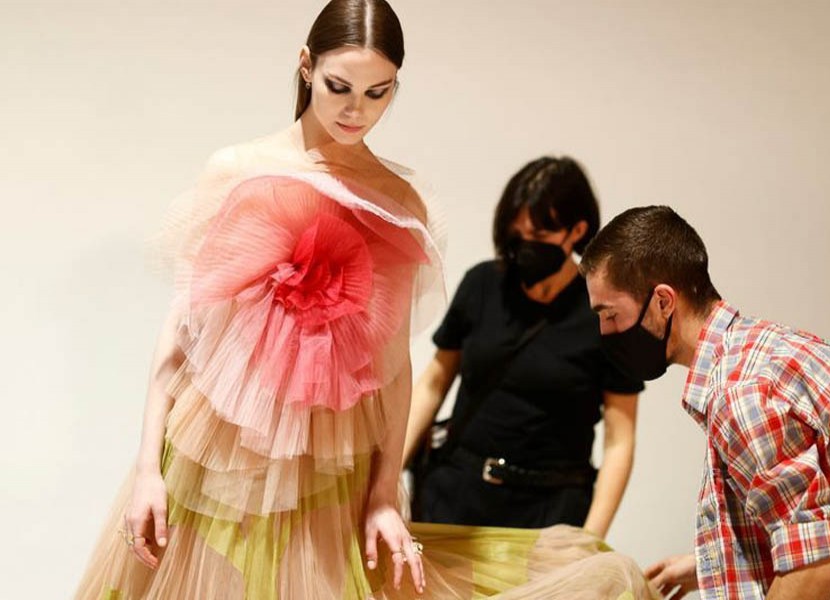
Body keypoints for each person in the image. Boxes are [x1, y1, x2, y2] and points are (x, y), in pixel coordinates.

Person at [75, 2, 659, 598]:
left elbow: (395, 364)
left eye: (378, 93)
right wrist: (147, 468)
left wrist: (383, 495)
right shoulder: (238, 168)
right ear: (306, 66)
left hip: (332, 458)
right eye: (339, 87)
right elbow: (183, 330)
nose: (356, 110)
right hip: (218, 446)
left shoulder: (398, 200)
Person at [580, 205, 830, 599]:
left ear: (663, 301)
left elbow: (814, 569)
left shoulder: (741, 393)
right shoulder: (759, 352)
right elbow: (822, 517)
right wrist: (706, 565)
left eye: (610, 315)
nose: (604, 332)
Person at [404, 157, 643, 539]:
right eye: (516, 234)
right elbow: (433, 384)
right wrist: (385, 483)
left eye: (539, 234)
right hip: (454, 499)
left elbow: (620, 439)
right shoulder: (483, 284)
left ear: (577, 230)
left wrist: (588, 541)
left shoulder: (605, 313)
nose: (524, 246)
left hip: (550, 515)